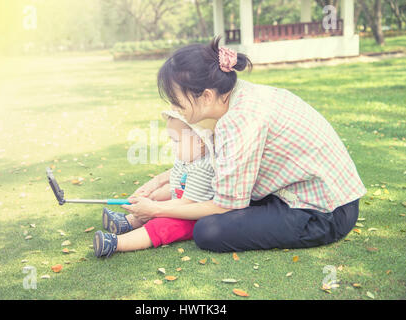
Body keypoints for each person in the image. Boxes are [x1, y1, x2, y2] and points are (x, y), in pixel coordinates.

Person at [121, 36, 367, 252]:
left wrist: (154, 209)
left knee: (209, 231)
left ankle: (150, 223)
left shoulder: (238, 120)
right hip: (310, 194)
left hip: (323, 212)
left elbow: (225, 205)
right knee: (205, 201)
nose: (174, 109)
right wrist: (157, 183)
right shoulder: (237, 97)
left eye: (177, 101)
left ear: (206, 95)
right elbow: (212, 167)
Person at [93, 110, 216, 258]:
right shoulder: (187, 158)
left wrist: (153, 207)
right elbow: (174, 187)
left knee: (160, 226)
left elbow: (186, 203)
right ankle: (126, 222)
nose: (173, 145)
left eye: (177, 141)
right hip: (179, 204)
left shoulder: (203, 168)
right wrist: (151, 196)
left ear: (200, 141)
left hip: (192, 217)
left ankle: (116, 243)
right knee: (157, 202)